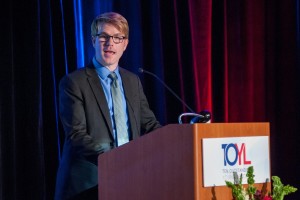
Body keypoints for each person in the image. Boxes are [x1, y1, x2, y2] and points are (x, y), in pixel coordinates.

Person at [54, 12, 161, 200]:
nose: (110, 43)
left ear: (125, 44)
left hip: (130, 179)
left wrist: (179, 138)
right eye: (104, 36)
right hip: (88, 184)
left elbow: (150, 125)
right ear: (94, 41)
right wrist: (115, 160)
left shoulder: (132, 81)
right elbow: (77, 135)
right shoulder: (73, 82)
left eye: (117, 37)